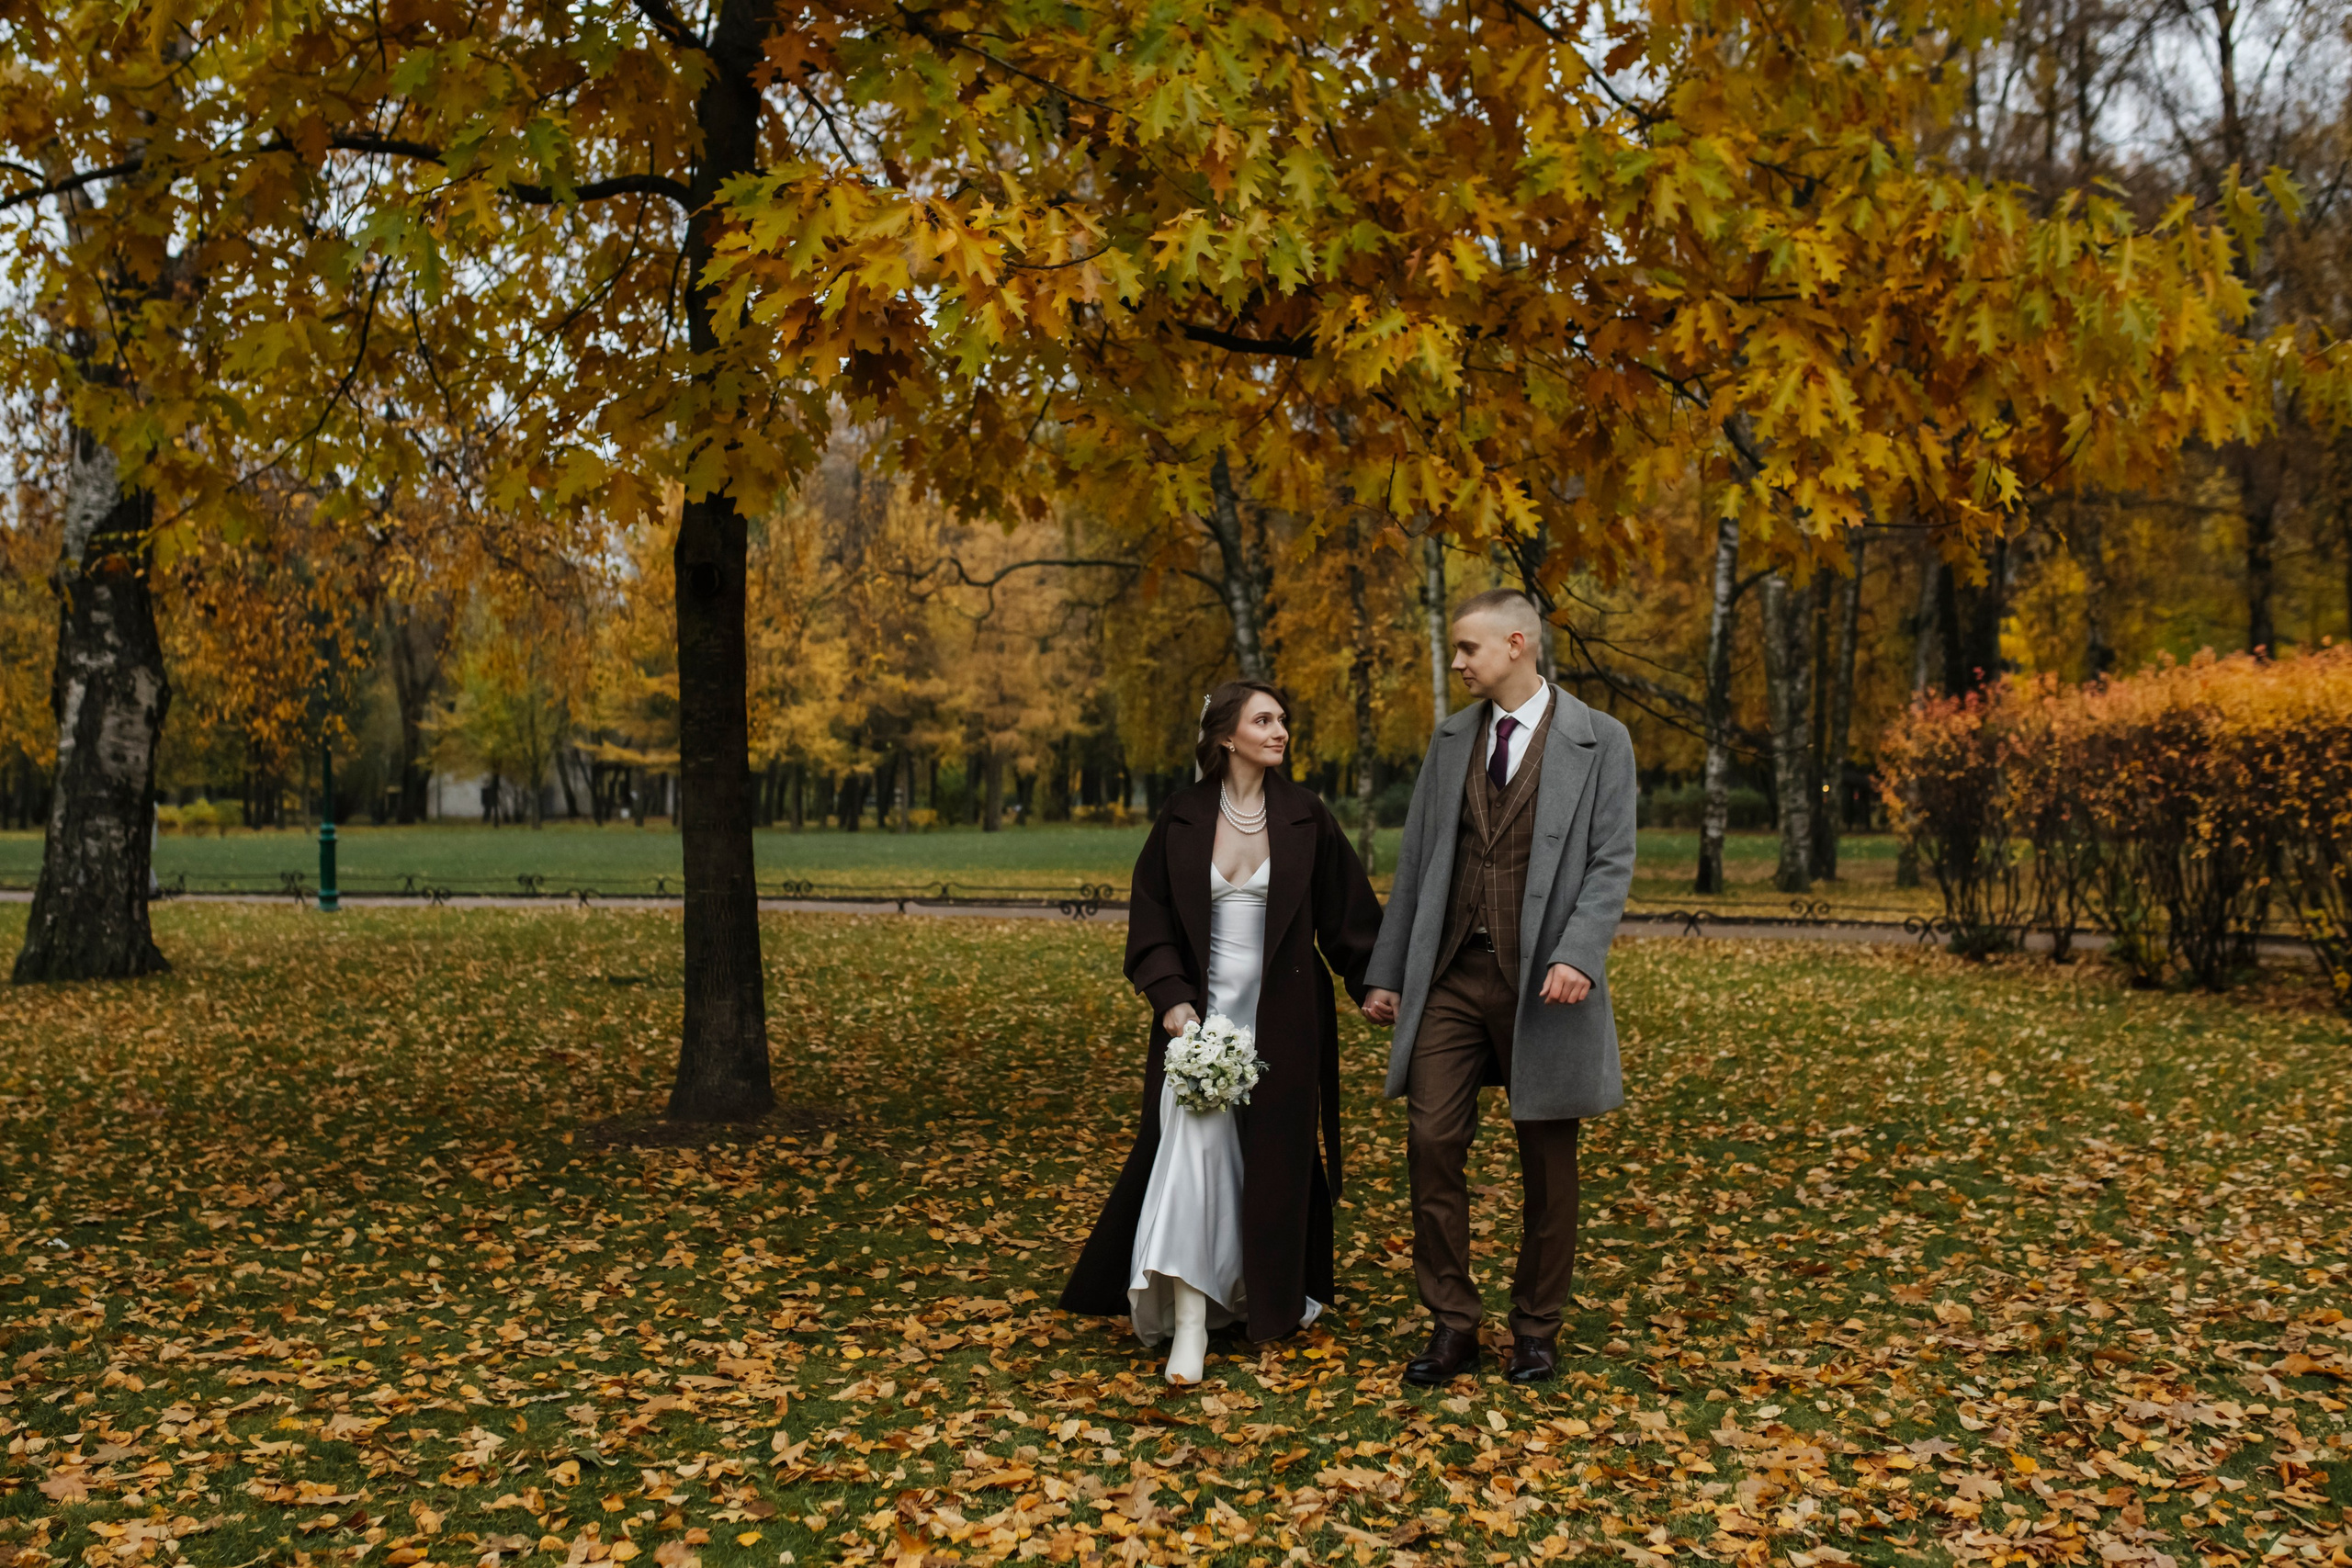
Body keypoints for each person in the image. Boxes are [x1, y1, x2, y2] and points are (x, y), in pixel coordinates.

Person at [1061, 682, 1384, 1382]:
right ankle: (1189, 1327)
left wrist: (1374, 985)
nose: (1280, 731)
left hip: (1284, 1024)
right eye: (1263, 720)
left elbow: (1350, 919)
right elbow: (1149, 924)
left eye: (1284, 720)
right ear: (1226, 737)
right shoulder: (1181, 818)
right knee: (1194, 1158)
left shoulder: (1307, 817)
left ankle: (1257, 1297)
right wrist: (1174, 1005)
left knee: (1273, 1163)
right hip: (1198, 1027)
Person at [1360, 589, 1637, 1387]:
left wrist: (1580, 953)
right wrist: (1387, 971)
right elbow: (1416, 865)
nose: (1456, 663)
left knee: (1548, 1162)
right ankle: (1453, 1321)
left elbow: (1611, 860)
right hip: (1450, 972)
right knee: (1431, 1141)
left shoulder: (1600, 740)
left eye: (1467, 649)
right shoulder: (1451, 741)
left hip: (1547, 982)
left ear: (1516, 644)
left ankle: (1537, 1328)